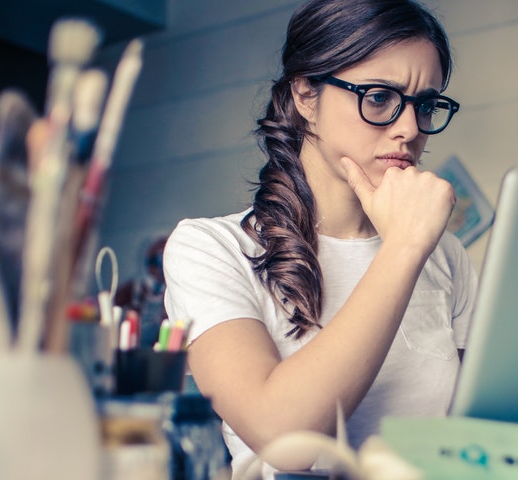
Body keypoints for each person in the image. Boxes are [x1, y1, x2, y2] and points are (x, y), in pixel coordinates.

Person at [161, 0, 476, 476]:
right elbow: (287, 442)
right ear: (306, 94)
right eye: (378, 97)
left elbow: (480, 433)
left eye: (426, 104)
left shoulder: (445, 254)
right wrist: (405, 248)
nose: (410, 128)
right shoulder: (211, 249)